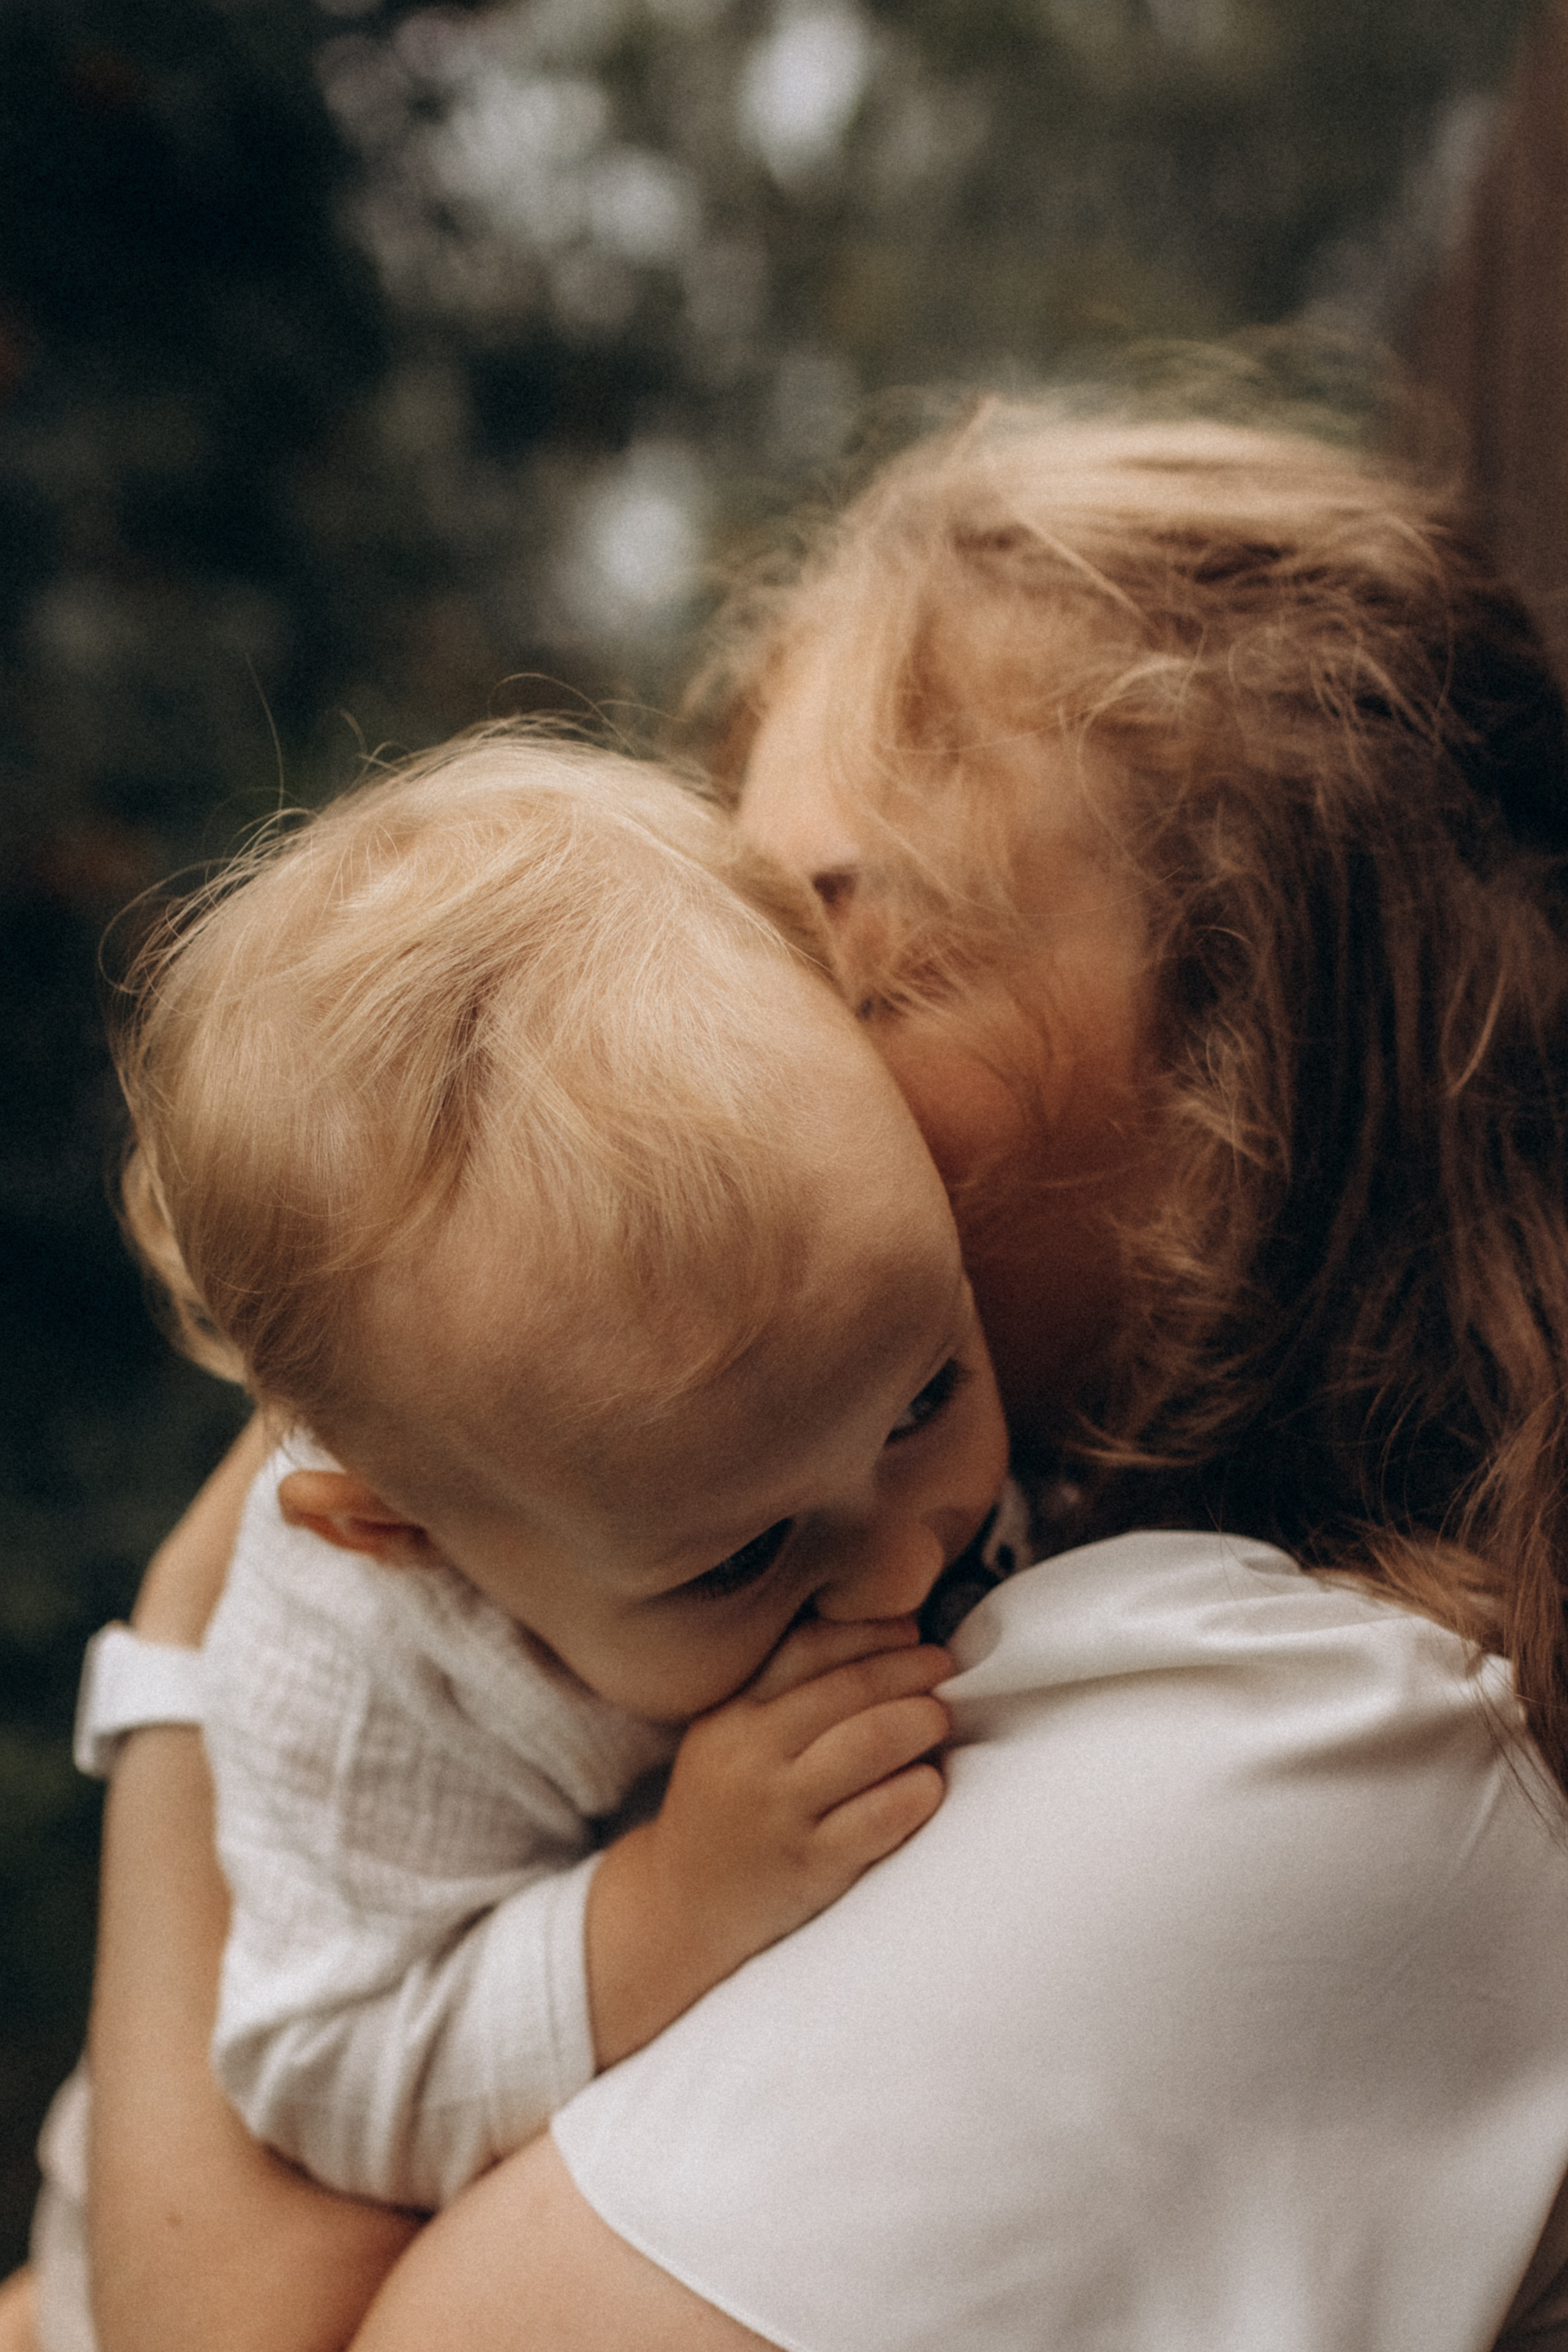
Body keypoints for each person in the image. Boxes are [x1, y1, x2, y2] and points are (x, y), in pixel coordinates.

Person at [31, 398, 1568, 2351]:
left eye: (848, 965)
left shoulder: (1305, 1751)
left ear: (1257, 1075)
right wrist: (209, 1637)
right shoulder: (623, 1533)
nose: (686, 1088)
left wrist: (182, 1624)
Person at [29, 731, 1018, 2344]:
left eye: (930, 1400)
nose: (905, 1557)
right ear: (401, 1536)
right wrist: (665, 1913)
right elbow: (322, 2071)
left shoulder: (774, 1387)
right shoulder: (363, 1689)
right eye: (734, 1562)